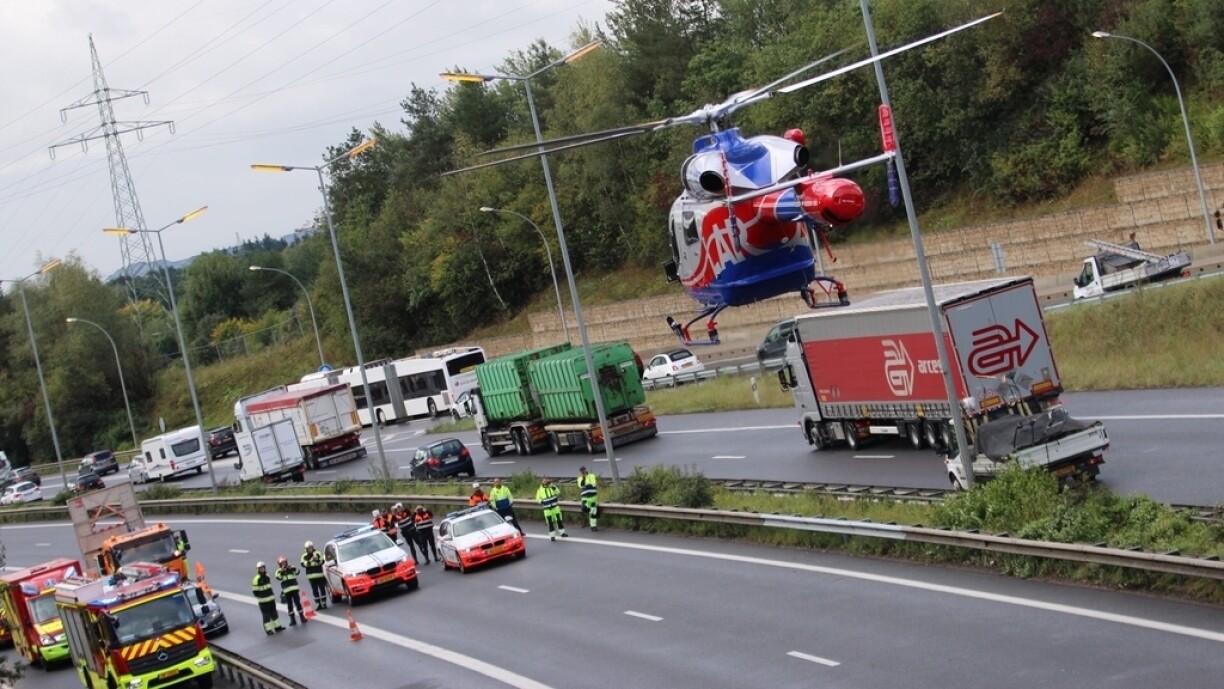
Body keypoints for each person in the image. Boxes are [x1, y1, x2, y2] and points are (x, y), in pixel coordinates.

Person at [252, 561, 283, 635]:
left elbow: (269, 587)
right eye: (260, 568)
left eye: (263, 568)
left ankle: (277, 627)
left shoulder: (267, 576)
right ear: (258, 569)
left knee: (274, 613)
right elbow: (255, 592)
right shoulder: (256, 579)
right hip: (263, 601)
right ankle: (268, 630)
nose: (262, 569)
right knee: (266, 616)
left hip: (271, 599)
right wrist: (262, 597)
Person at [275, 555, 306, 626]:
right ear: (279, 564)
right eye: (282, 563)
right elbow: (278, 577)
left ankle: (302, 616)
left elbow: (298, 572)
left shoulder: (291, 568)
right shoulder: (278, 571)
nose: (284, 564)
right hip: (287, 591)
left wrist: (293, 568)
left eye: (284, 562)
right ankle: (292, 619)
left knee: (298, 603)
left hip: (294, 589)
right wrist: (282, 571)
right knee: (290, 605)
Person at [536, 476, 567, 541]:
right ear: (542, 482)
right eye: (544, 481)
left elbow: (558, 492)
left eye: (546, 480)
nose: (545, 482)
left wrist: (552, 486)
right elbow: (537, 499)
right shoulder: (540, 490)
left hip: (555, 507)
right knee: (550, 523)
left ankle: (562, 533)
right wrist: (542, 501)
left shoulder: (552, 487)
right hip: (547, 509)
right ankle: (552, 536)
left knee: (559, 521)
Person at [300, 541, 327, 611]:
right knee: (315, 590)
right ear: (306, 549)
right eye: (308, 548)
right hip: (311, 576)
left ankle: (324, 602)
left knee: (322, 589)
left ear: (313, 547)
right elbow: (303, 564)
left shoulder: (317, 553)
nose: (310, 549)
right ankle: (318, 604)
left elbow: (322, 561)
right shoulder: (304, 556)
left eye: (310, 548)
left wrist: (317, 560)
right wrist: (311, 560)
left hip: (319, 575)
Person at [577, 466, 599, 531]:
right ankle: (592, 524)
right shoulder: (580, 478)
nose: (582, 471)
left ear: (586, 469)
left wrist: (586, 485)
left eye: (583, 470)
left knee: (593, 511)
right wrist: (584, 479)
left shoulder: (591, 475)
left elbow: (593, 483)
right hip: (585, 497)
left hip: (593, 496)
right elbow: (580, 485)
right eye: (581, 470)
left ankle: (593, 526)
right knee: (584, 508)